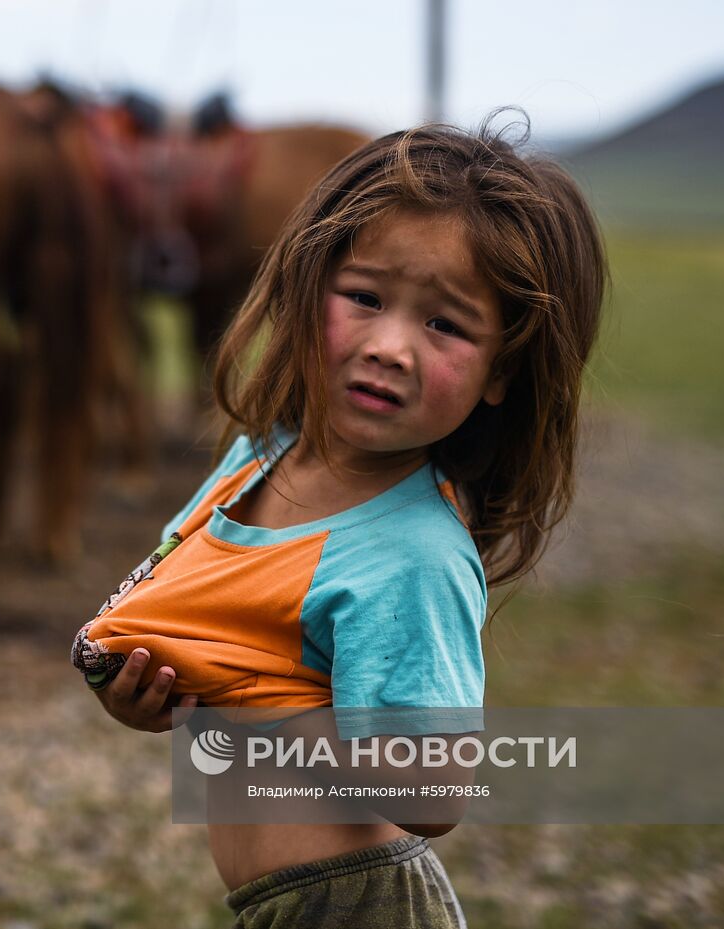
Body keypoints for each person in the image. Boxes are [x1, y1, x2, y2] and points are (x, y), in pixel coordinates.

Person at [75, 118, 607, 927]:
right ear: (307, 288)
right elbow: (187, 627)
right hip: (277, 903)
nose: (390, 345)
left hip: (360, 903)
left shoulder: (414, 550)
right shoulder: (259, 457)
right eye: (364, 298)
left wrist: (259, 708)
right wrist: (145, 693)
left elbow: (436, 787)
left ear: (500, 371)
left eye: (445, 324)